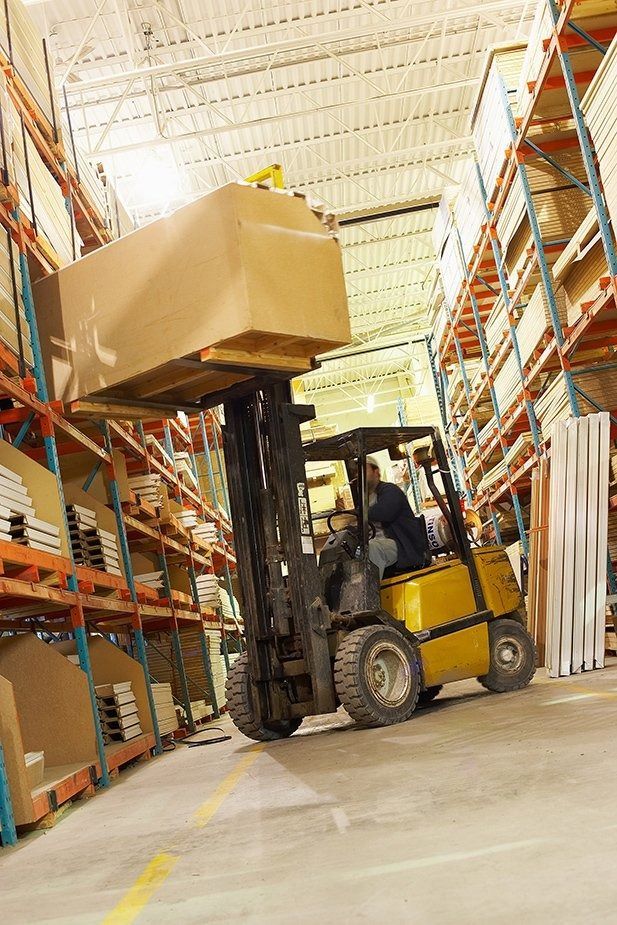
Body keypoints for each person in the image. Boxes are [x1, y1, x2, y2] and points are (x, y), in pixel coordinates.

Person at [364, 457, 429, 579]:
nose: (359, 475)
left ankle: (369, 594)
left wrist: (359, 514)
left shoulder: (390, 490)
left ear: (376, 471)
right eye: (357, 472)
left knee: (372, 548)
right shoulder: (365, 500)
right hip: (383, 546)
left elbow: (385, 512)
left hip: (402, 547)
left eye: (363, 470)